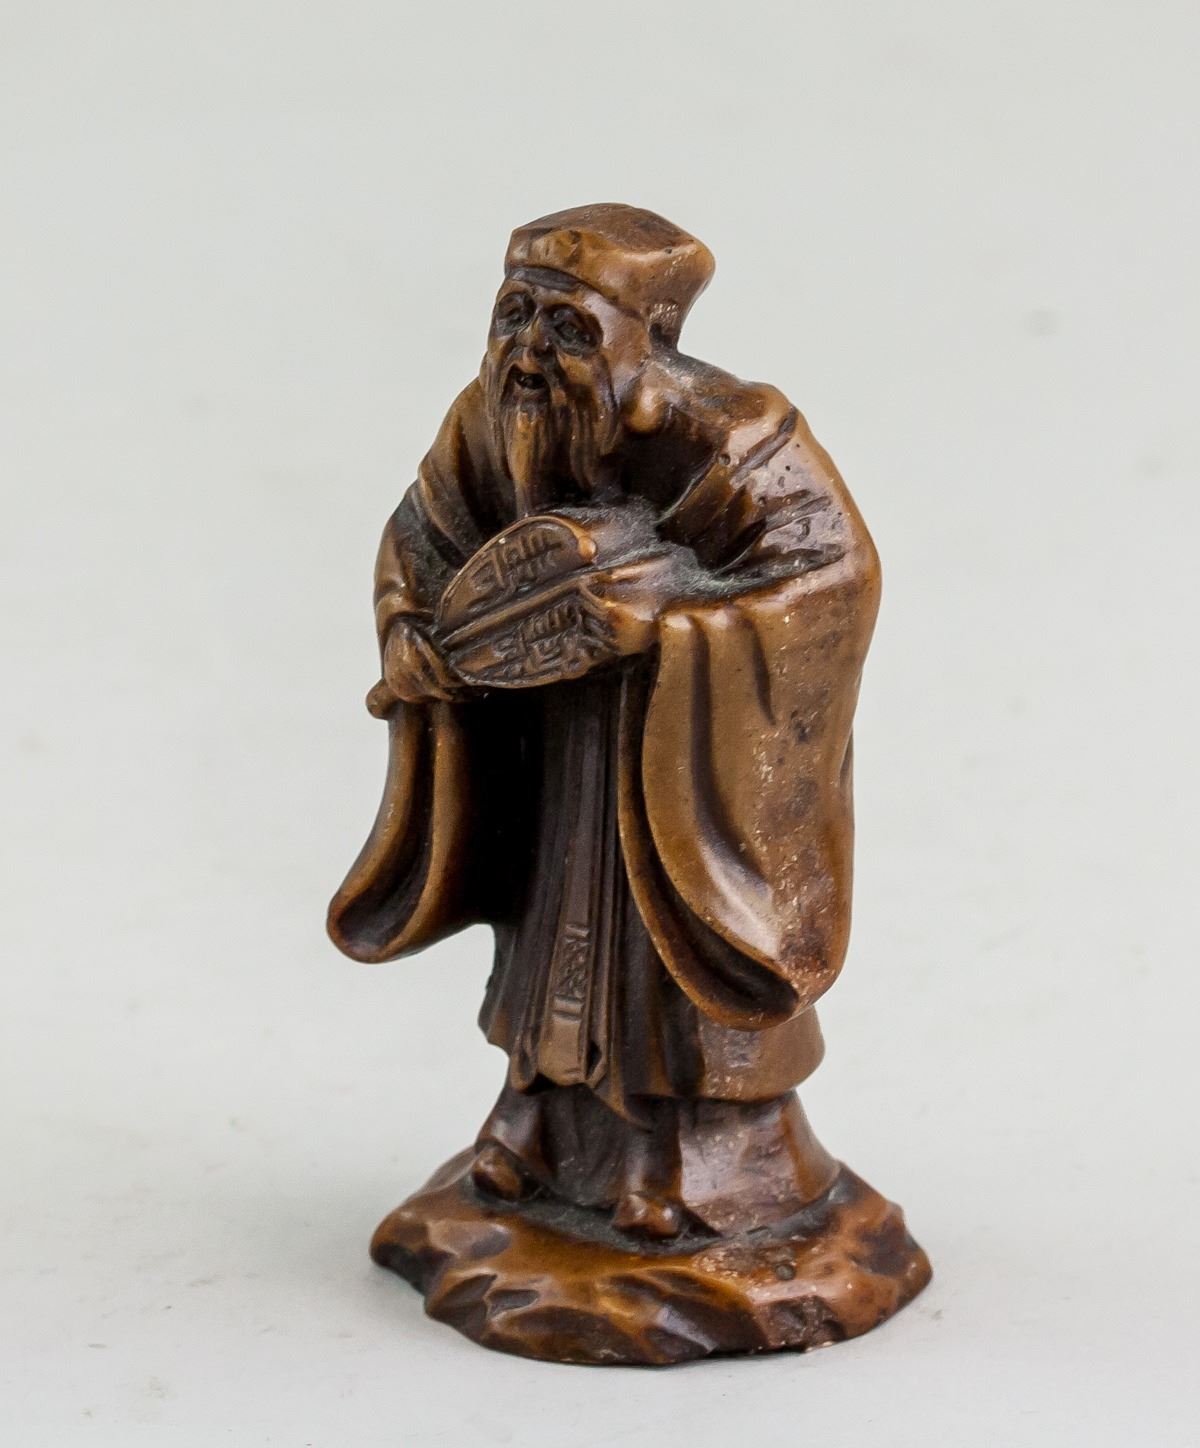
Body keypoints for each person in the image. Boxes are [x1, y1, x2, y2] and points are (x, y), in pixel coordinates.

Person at [329, 203, 881, 1240]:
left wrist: (676, 629)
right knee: (547, 917)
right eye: (515, 316)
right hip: (549, 746)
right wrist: (407, 626)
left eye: (568, 328)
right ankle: (535, 1124)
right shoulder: (490, 420)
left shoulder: (739, 437)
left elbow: (832, 582)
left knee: (663, 952)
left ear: (649, 339)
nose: (531, 351)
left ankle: (692, 1161)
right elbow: (420, 536)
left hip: (677, 756)